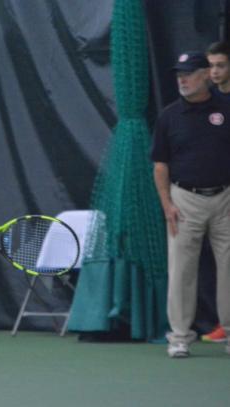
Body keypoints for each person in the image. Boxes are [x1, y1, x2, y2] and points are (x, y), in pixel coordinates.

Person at [151, 51, 230, 358]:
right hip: (183, 200)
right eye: (178, 74)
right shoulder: (169, 116)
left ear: (206, 75)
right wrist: (167, 204)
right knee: (181, 270)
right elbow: (160, 165)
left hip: (226, 198)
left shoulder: (226, 109)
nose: (182, 79)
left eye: (188, 73)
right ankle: (180, 337)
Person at [201, 41, 230, 343]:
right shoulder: (206, 102)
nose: (215, 71)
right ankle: (226, 322)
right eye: (210, 66)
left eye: (220, 65)